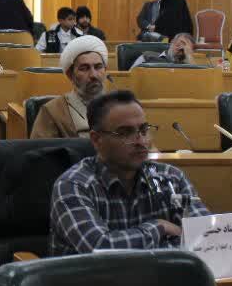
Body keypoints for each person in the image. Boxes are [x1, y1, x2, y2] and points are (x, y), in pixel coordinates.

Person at [50, 90, 210, 256]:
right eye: (125, 133)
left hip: (162, 272)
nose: (140, 141)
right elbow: (101, 249)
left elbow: (207, 238)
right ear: (97, 139)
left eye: (144, 129)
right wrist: (159, 227)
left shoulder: (171, 177)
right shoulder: (73, 185)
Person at [30, 35, 108, 139]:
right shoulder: (52, 111)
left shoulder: (121, 106)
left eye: (98, 67)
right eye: (84, 68)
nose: (93, 75)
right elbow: (41, 148)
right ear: (70, 75)